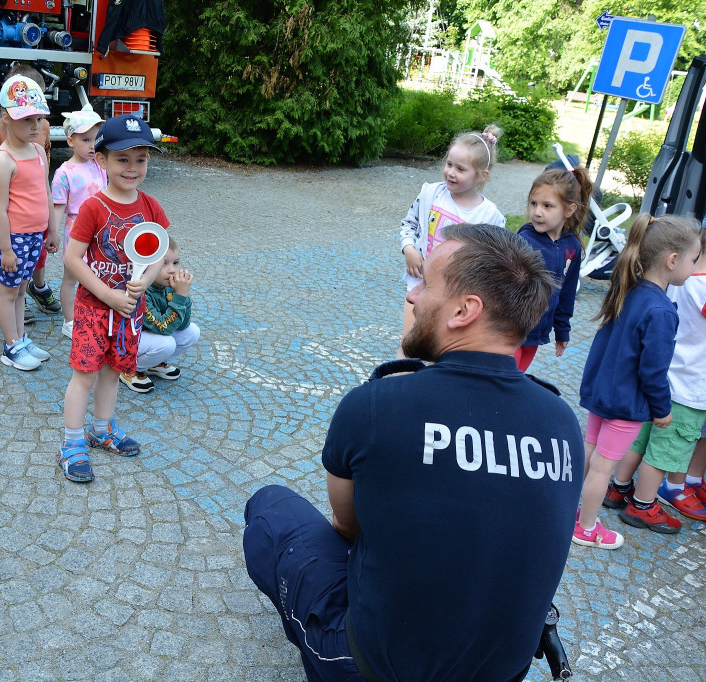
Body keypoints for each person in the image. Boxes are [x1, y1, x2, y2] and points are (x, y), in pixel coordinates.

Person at [244, 224, 582, 681]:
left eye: (426, 284)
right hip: (503, 672)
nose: (413, 297)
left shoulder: (378, 405)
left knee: (269, 508)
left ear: (464, 310)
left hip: (373, 666)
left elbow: (347, 525)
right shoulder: (563, 422)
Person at [574, 214, 701, 550]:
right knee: (604, 468)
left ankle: (570, 511)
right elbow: (653, 371)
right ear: (673, 260)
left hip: (601, 391)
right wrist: (661, 411)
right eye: (694, 258)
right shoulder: (661, 310)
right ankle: (586, 527)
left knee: (588, 452)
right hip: (626, 403)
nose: (695, 266)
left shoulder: (627, 288)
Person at [58, 114, 168, 483]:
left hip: (129, 312)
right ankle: (72, 442)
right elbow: (72, 259)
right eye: (122, 159)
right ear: (101, 160)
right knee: (84, 376)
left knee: (112, 373)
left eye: (141, 159)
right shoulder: (93, 207)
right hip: (93, 308)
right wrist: (106, 293)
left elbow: (157, 257)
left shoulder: (150, 207)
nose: (132, 168)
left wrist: (144, 283)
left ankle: (102, 430)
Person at [601, 228, 706, 530]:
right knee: (663, 453)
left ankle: (619, 487)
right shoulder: (697, 285)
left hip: (661, 381)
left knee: (639, 442)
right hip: (688, 390)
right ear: (675, 259)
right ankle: (643, 506)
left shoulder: (672, 281)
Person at [397, 124, 505, 357]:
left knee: (442, 352)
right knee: (407, 346)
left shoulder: (489, 216)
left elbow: (491, 261)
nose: (451, 172)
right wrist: (409, 249)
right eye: (449, 164)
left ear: (481, 175)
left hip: (454, 295)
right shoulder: (431, 194)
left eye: (461, 169)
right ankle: (399, 383)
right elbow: (409, 223)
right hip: (419, 285)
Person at [0, 74, 57, 370]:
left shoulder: (39, 151)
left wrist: (52, 229)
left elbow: (46, 192)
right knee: (9, 292)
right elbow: (0, 209)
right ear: (6, 118)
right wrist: (6, 249)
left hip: (35, 236)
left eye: (39, 119)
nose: (35, 126)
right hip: (15, 238)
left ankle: (21, 337)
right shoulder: (4, 159)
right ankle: (11, 346)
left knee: (21, 289)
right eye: (27, 119)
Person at [514, 165, 594, 371]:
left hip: (536, 333)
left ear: (569, 210)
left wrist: (562, 330)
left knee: (514, 381)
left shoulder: (572, 246)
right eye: (534, 203)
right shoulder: (524, 241)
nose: (537, 212)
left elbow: (566, 293)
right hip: (511, 330)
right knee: (500, 381)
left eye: (548, 206)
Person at [51, 104, 106, 339]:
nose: (93, 145)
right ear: (71, 140)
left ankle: (96, 315)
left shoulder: (101, 165)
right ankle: (70, 320)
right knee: (71, 277)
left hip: (102, 229)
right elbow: (58, 208)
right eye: (86, 140)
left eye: (96, 139)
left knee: (99, 274)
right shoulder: (65, 172)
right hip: (76, 231)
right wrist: (52, 233)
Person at [120, 236, 200, 393]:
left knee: (192, 331)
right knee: (166, 344)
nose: (172, 270)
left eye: (175, 263)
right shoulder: (142, 291)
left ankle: (153, 363)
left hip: (151, 336)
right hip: (128, 341)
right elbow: (164, 328)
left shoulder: (169, 286)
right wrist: (180, 297)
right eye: (164, 264)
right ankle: (128, 368)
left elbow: (182, 324)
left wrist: (182, 295)